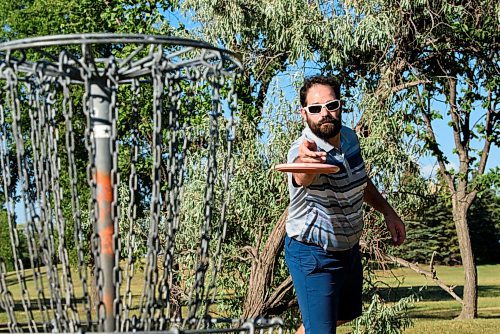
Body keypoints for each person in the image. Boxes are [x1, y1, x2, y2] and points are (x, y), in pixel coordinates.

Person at [284, 75, 406, 334]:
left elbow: (360, 181)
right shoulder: (303, 149)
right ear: (304, 113)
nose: (324, 113)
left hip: (348, 249)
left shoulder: (350, 138)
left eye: (331, 105)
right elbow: (301, 175)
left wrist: (388, 211)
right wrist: (306, 162)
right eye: (315, 109)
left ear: (340, 106)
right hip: (312, 253)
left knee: (342, 316)